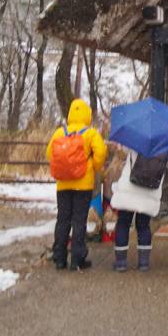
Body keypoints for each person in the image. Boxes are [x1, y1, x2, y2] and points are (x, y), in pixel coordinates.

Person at [45, 97, 107, 270]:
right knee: (79, 220)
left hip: (63, 184)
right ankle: (77, 259)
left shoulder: (59, 132)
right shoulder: (90, 133)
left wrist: (64, 168)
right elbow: (101, 152)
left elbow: (50, 153)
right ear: (87, 114)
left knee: (63, 219)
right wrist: (93, 167)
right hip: (83, 184)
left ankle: (59, 257)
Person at [110, 145, 168, 271]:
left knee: (123, 223)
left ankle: (121, 262)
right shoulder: (167, 140)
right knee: (143, 225)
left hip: (130, 186)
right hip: (149, 187)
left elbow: (125, 151)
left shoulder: (138, 132)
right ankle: (143, 263)